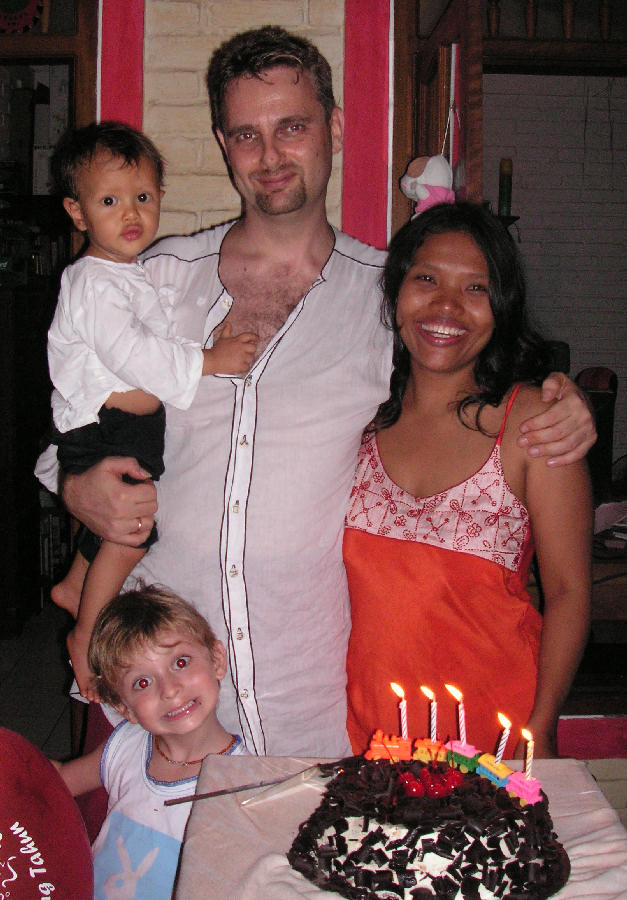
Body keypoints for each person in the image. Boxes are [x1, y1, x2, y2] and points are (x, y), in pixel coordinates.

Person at [36, 27, 595, 758]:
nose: (270, 156)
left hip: (310, 699)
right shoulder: (156, 278)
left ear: (333, 127)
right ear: (223, 143)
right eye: (247, 135)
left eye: (292, 127)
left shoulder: (388, 298)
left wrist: (562, 399)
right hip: (162, 685)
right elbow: (77, 400)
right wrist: (72, 484)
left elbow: (469, 372)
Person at [345, 202, 592, 759]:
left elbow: (570, 593)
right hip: (368, 735)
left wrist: (541, 729)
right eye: (426, 279)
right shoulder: (354, 419)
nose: (446, 306)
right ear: (396, 292)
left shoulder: (536, 424)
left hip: (496, 737)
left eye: (475, 288)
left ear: (501, 307)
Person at [45, 121, 258, 699]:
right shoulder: (93, 281)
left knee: (126, 519)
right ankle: (86, 629)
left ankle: (76, 583)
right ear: (77, 213)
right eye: (109, 202)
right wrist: (211, 360)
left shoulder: (126, 274)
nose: (131, 213)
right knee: (134, 528)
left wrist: (201, 346)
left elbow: (152, 343)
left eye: (142, 196)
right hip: (105, 425)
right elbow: (135, 356)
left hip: (122, 424)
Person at [51, 584, 248, 899]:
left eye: (181, 662)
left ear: (216, 659)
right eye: (143, 682)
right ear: (124, 707)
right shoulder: (124, 747)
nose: (169, 689)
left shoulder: (246, 783)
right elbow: (56, 780)